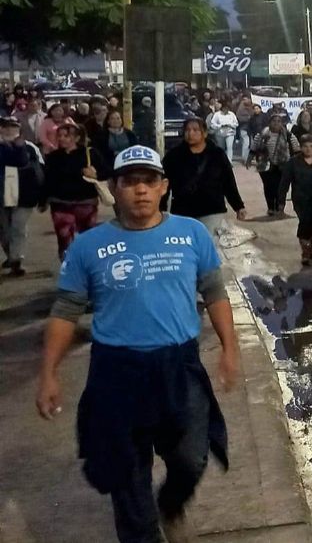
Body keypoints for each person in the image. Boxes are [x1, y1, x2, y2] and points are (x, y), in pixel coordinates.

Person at [36, 144, 240, 543]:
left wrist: (229, 349)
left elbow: (215, 293)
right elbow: (66, 310)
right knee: (126, 473)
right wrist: (49, 373)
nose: (141, 190)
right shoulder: (88, 246)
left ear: (164, 186)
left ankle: (171, 504)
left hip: (179, 366)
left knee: (191, 456)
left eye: (149, 181)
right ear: (114, 188)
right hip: (116, 372)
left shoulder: (192, 234)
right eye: (130, 182)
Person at [162, 118, 247, 239]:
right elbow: (164, 185)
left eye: (195, 130)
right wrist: (161, 209)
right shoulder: (173, 156)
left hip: (212, 209)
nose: (190, 133)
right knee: (186, 244)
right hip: (183, 211)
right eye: (187, 130)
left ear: (205, 133)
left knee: (208, 243)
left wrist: (238, 206)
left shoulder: (217, 154)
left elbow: (228, 182)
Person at [41, 123, 109, 259]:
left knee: (88, 237)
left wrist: (95, 174)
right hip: (60, 203)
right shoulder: (53, 157)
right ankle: (68, 264)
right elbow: (47, 180)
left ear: (77, 138)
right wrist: (42, 199)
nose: (61, 139)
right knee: (64, 237)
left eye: (66, 136)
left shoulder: (90, 154)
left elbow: (107, 172)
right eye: (59, 136)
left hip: (86, 202)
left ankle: (88, 263)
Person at [0, 116, 40, 276]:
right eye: (6, 127)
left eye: (14, 126)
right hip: (2, 194)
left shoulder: (29, 147)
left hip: (24, 193)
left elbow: (35, 168)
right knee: (4, 230)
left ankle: (17, 259)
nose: (10, 130)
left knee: (18, 226)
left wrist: (42, 195)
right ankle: (11, 255)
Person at [279, 135, 312, 266]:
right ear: (300, 147)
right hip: (301, 200)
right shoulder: (293, 162)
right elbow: (284, 182)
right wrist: (281, 202)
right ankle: (305, 252)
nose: (308, 149)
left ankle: (311, 250)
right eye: (305, 146)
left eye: (311, 146)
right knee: (305, 223)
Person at [251, 114, 300, 217]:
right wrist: (249, 159)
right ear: (269, 122)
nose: (276, 123)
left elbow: (296, 148)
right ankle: (271, 208)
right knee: (268, 187)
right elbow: (254, 147)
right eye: (274, 121)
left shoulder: (288, 135)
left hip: (283, 165)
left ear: (282, 123)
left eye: (279, 121)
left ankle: (279, 207)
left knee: (280, 187)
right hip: (265, 165)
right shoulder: (262, 134)